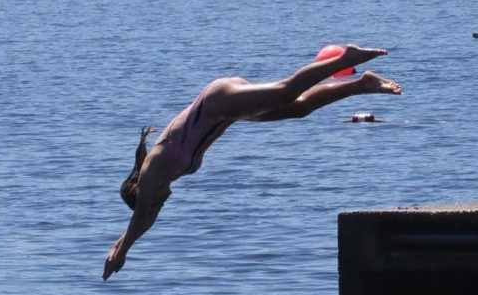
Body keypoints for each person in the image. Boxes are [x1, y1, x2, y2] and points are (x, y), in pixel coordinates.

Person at [102, 44, 401, 280]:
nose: (162, 202)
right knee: (299, 108)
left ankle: (343, 58)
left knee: (287, 91)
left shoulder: (154, 167)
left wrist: (123, 250)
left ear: (142, 190)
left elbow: (142, 216)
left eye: (156, 201)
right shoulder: (163, 179)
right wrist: (122, 243)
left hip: (217, 101)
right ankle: (362, 84)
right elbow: (145, 218)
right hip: (226, 114)